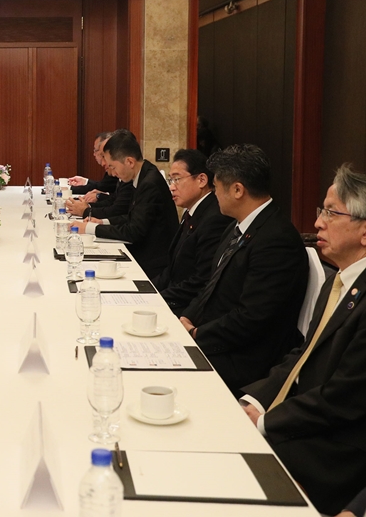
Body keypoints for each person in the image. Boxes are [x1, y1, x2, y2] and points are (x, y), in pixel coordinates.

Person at [239, 164, 366, 515]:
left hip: (339, 448)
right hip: (308, 418)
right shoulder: (338, 280)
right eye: (321, 210)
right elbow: (304, 353)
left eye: (331, 212)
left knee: (234, 462)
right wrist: (257, 402)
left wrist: (265, 423)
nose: (318, 223)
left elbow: (342, 399)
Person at [180, 144, 308, 397]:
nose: (214, 194)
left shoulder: (276, 240)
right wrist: (186, 318)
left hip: (243, 358)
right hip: (217, 337)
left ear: (238, 189)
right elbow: (211, 285)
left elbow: (252, 318)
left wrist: (196, 334)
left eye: (216, 188)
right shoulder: (238, 226)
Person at [69, 129, 179, 277]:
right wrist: (101, 222)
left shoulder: (149, 183)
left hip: (153, 263)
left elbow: (134, 231)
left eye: (113, 167)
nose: (113, 173)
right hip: (144, 252)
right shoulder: (142, 175)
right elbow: (130, 216)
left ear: (129, 162)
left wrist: (90, 228)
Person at [153, 149, 233, 315]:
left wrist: (157, 299)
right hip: (174, 295)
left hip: (189, 307)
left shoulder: (214, 218)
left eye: (177, 179)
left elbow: (201, 280)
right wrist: (149, 289)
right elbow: (173, 269)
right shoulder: (191, 211)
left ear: (202, 180)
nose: (171, 187)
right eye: (170, 180)